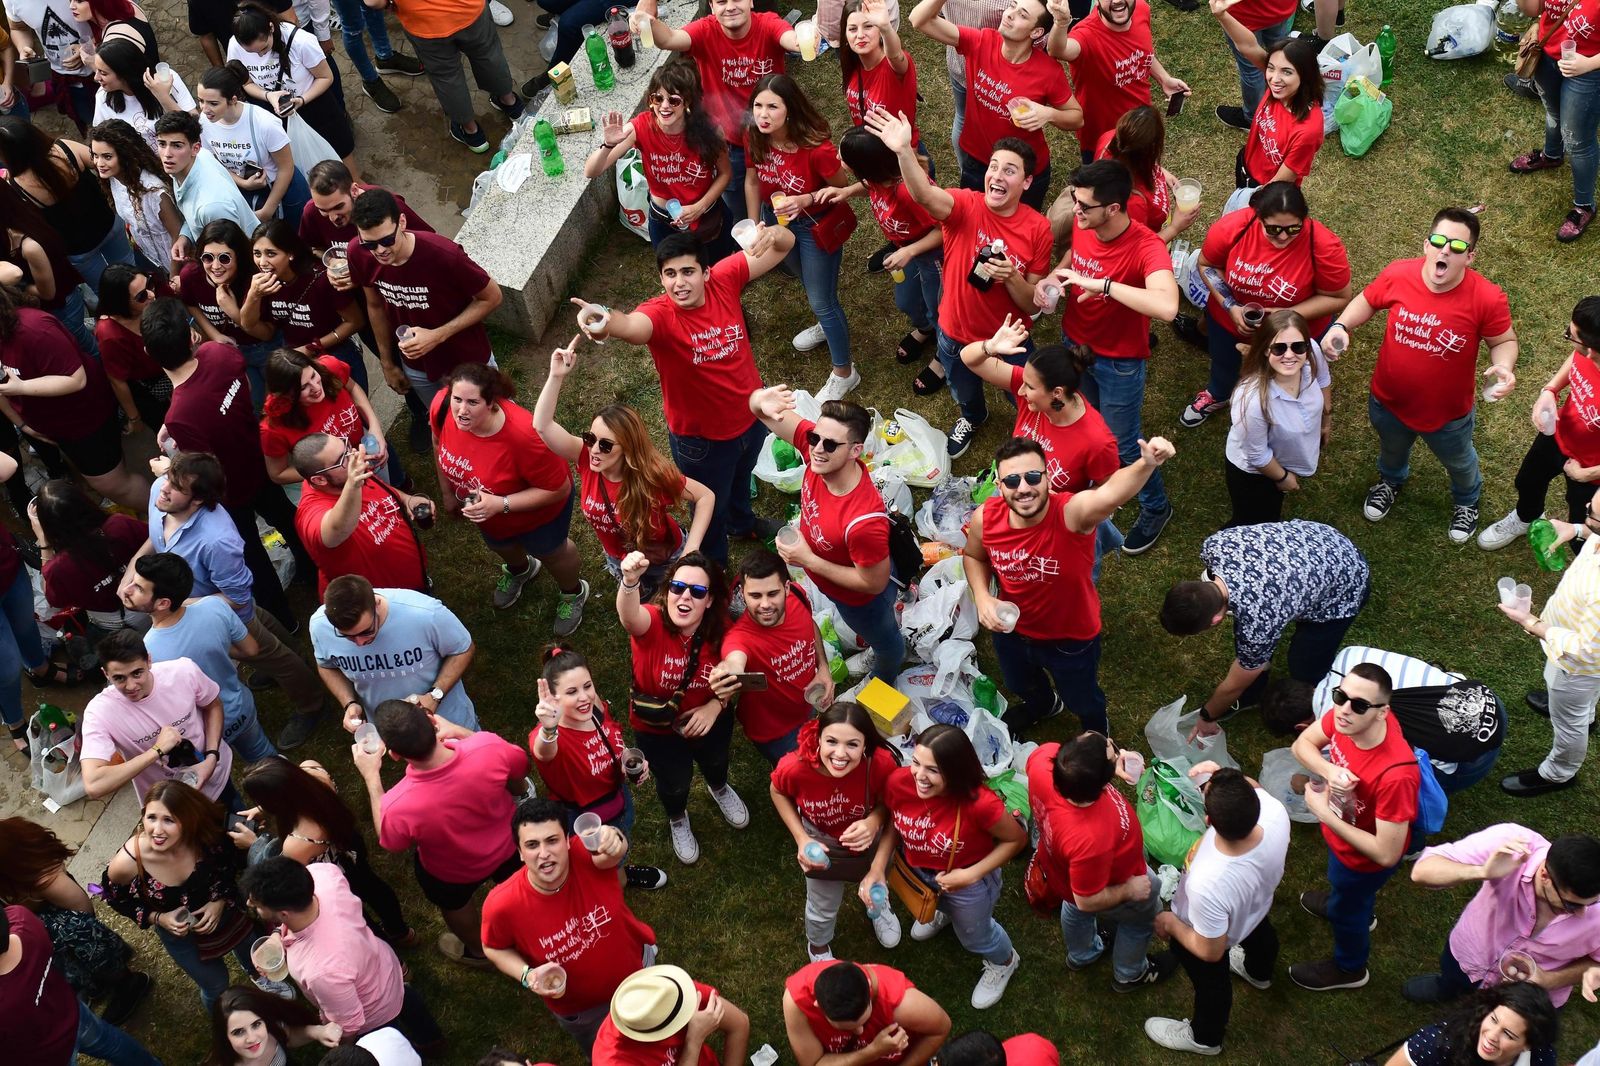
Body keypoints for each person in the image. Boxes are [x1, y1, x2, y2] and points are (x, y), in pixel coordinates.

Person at [573, 227, 794, 561]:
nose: (679, 283)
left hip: (752, 417)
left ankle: (742, 523)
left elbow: (783, 248)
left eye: (688, 272)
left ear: (706, 272)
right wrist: (602, 320)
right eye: (670, 274)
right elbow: (631, 327)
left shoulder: (725, 279)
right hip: (703, 442)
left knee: (740, 478)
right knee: (710, 508)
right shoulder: (660, 315)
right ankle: (710, 570)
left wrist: (774, 234)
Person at [868, 109, 1053, 460]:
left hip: (1009, 340)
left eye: (1009, 171)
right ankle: (973, 416)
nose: (997, 175)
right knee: (964, 389)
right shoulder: (966, 205)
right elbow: (923, 195)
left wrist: (1011, 276)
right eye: (993, 166)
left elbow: (1031, 305)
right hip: (954, 332)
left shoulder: (1038, 229)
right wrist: (904, 150)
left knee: (1028, 396)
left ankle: (1030, 428)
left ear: (1027, 183)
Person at [965, 432, 1175, 735]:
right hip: (1011, 631)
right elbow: (974, 557)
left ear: (1048, 478)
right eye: (1011, 481)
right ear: (999, 487)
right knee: (1018, 683)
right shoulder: (986, 518)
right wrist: (983, 597)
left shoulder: (1071, 514)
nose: (1023, 488)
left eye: (1033, 477)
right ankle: (1044, 705)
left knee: (1081, 697)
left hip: (1070, 640)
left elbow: (1109, 494)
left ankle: (1095, 729)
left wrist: (1145, 464)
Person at [1328, 207, 1518, 543]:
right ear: (1426, 245)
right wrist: (1342, 324)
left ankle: (1466, 499)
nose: (1445, 250)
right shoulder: (1399, 274)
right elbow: (1368, 300)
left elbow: (1503, 340)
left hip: (1448, 416)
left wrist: (1504, 365)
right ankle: (1391, 481)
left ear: (1470, 256)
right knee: (1391, 451)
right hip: (1388, 402)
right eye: (1439, 241)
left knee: (1460, 462)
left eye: (1457, 247)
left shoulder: (1487, 297)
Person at [121, 450, 328, 748]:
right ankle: (294, 655)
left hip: (226, 611)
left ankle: (312, 704)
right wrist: (133, 567)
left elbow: (238, 597)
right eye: (169, 478)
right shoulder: (161, 493)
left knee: (268, 652)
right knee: (266, 633)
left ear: (198, 500)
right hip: (208, 603)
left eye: (176, 487)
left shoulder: (217, 540)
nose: (164, 488)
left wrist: (181, 605)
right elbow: (158, 536)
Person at [140, 295, 315, 623]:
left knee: (251, 553)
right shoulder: (217, 352)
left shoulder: (181, 415)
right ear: (192, 336)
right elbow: (231, 390)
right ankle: (313, 568)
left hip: (231, 490)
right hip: (261, 461)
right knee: (286, 519)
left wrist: (169, 468)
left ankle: (283, 618)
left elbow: (202, 466)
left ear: (149, 353)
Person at [1041, 159, 1179, 553]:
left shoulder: (1145, 246)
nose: (1075, 211)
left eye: (1084, 205)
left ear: (1114, 208)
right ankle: (1107, 485)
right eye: (1074, 200)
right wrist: (1057, 275)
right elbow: (1075, 257)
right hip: (1076, 346)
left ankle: (1155, 507)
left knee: (1122, 443)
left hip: (1118, 363)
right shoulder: (1087, 224)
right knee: (1088, 425)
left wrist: (1104, 285)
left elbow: (1167, 307)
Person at [354, 697, 528, 969]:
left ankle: (479, 952)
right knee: (523, 889)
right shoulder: (487, 746)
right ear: (434, 722)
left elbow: (391, 841)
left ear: (394, 755)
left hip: (451, 873)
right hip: (510, 847)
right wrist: (462, 732)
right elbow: (518, 765)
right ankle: (532, 925)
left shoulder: (398, 805)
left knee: (456, 905)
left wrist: (371, 777)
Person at [479, 796, 660, 1055]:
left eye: (552, 840)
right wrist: (527, 976)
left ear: (567, 841)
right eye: (532, 845)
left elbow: (613, 851)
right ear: (519, 852)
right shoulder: (501, 904)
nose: (544, 853)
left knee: (659, 1031)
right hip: (584, 1011)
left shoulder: (586, 853)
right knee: (610, 1053)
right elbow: (493, 947)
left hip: (638, 972)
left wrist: (613, 837)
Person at [532, 342, 712, 599]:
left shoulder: (653, 476)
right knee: (642, 596)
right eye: (590, 438)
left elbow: (705, 496)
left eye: (605, 445)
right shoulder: (585, 458)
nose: (594, 449)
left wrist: (690, 552)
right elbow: (542, 426)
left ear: (628, 449)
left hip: (666, 558)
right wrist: (555, 376)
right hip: (621, 560)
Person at [864, 723, 1026, 1009]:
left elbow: (1016, 840)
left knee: (976, 935)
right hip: (920, 872)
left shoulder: (979, 803)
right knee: (936, 906)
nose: (919, 777)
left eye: (933, 770)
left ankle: (1005, 960)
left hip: (970, 883)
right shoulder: (899, 782)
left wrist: (969, 875)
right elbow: (893, 821)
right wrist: (877, 868)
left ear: (955, 771)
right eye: (916, 762)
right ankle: (945, 914)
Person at [1160, 520, 1372, 738]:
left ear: (1215, 620)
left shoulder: (1257, 620)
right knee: (1253, 652)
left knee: (1304, 665)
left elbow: (1233, 685)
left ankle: (1319, 705)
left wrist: (1207, 716)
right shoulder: (1215, 545)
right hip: (1322, 539)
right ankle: (1254, 692)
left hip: (1347, 584)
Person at [747, 390, 903, 684]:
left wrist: (809, 560)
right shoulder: (821, 453)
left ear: (855, 451)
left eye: (830, 444)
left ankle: (884, 672)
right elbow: (762, 411)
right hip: (830, 578)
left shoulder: (863, 521)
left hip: (861, 601)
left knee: (886, 642)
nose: (817, 449)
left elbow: (873, 582)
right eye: (814, 438)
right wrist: (758, 401)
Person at [1288, 661, 1420, 991]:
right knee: (1347, 895)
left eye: (1359, 705)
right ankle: (1345, 904)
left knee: (1351, 909)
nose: (1344, 710)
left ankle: (1350, 967)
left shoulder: (1397, 776)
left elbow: (1386, 853)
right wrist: (1329, 771)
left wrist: (1324, 813)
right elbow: (1302, 745)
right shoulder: (1348, 720)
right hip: (1344, 839)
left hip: (1361, 860)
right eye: (1340, 696)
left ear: (1382, 712)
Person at [101, 779, 289, 1010]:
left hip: (229, 913)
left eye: (168, 820)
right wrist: (158, 918)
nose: (157, 830)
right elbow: (115, 898)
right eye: (151, 817)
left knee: (253, 952)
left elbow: (233, 865)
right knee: (216, 985)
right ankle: (223, 1020)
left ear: (189, 819)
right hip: (183, 936)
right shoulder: (127, 863)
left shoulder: (208, 834)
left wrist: (220, 898)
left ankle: (257, 974)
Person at [1175, 183, 1351, 428]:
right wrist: (1230, 305)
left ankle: (1285, 410)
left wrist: (1287, 315)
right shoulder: (1233, 228)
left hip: (1296, 332)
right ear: (1258, 217)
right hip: (1233, 323)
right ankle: (1218, 394)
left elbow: (1338, 297)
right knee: (1225, 362)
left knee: (1290, 374)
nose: (1283, 236)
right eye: (1273, 229)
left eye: (1293, 229)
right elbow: (1207, 265)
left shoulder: (1323, 245)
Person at [430, 362, 588, 627]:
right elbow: (436, 440)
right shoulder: (443, 406)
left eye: (472, 402)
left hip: (538, 516)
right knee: (499, 544)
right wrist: (447, 492)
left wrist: (500, 504)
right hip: (488, 513)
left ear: (492, 402)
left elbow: (558, 488)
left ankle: (573, 592)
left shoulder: (524, 436)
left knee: (551, 552)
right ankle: (521, 569)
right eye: (457, 399)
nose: (461, 410)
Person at [1144, 767, 1290, 1056]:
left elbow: (1210, 950)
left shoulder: (1207, 882)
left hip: (1208, 932)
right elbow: (1253, 786)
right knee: (1261, 937)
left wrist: (1172, 923)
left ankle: (1205, 1037)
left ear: (1208, 820)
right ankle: (1258, 972)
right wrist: (1221, 774)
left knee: (1212, 983)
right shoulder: (1275, 812)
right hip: (1255, 907)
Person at [618, 550, 747, 866]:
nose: (684, 596)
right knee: (673, 782)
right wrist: (630, 582)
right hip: (656, 729)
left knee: (716, 760)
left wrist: (714, 708)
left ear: (710, 600)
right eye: (677, 587)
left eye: (697, 591)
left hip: (709, 720)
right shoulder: (651, 623)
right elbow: (628, 616)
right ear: (667, 591)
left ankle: (718, 786)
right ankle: (677, 816)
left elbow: (735, 667)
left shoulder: (723, 632)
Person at [239, 856, 445, 1053]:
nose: (250, 904)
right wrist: (278, 935)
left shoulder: (321, 970)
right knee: (409, 1003)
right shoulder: (323, 875)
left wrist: (345, 1047)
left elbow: (350, 1022)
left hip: (373, 1011)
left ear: (284, 914)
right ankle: (433, 1042)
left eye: (257, 905)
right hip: (385, 966)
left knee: (391, 1041)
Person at [1026, 734, 1170, 995]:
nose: (1112, 743)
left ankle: (1082, 955)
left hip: (1062, 873)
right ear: (1099, 785)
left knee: (1072, 907)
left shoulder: (1044, 763)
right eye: (1111, 749)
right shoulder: (1090, 839)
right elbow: (1087, 900)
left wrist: (1105, 764)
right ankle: (1129, 974)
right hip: (1116, 882)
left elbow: (1082, 746)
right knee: (1139, 920)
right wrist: (1130, 890)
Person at [745, 74, 859, 398]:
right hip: (775, 220)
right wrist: (755, 224)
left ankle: (845, 372)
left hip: (814, 225)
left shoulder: (816, 148)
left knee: (822, 299)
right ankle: (826, 325)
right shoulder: (754, 134)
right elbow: (752, 181)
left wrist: (807, 199)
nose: (763, 115)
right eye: (757, 106)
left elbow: (841, 189)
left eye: (772, 107)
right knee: (802, 278)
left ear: (790, 110)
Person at [1263, 645, 1506, 796]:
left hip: (1473, 754)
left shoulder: (1341, 725)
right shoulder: (1349, 655)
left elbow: (1350, 781)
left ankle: (1413, 845)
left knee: (1399, 792)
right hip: (1485, 699)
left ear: (1301, 727)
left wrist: (1309, 782)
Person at [909, 0, 1079, 210]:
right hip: (978, 162)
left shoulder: (1047, 72)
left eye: (1022, 15)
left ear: (1036, 33)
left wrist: (1048, 114)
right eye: (1012, 6)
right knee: (973, 222)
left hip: (1023, 171)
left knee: (1017, 232)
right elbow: (919, 20)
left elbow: (1077, 117)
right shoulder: (982, 41)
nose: (1009, 14)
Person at [769, 703, 903, 962]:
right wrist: (802, 838)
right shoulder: (795, 767)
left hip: (870, 838)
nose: (840, 754)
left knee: (878, 881)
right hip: (820, 842)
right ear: (818, 738)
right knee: (822, 904)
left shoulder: (882, 764)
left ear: (866, 745)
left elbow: (894, 805)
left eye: (852, 744)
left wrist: (874, 821)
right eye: (831, 741)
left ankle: (878, 905)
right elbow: (777, 791)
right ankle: (818, 947)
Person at [1406, 828, 1600, 1006]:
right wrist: (1481, 872)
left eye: (1591, 903)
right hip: (1468, 958)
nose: (1582, 913)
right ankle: (1447, 988)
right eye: (1570, 904)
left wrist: (1549, 980)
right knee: (1453, 979)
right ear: (1544, 876)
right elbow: (1422, 871)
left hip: (1528, 999)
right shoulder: (1512, 844)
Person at [232, 756, 413, 946]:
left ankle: (396, 963)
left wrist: (254, 843)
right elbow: (295, 788)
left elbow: (280, 873)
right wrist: (264, 806)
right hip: (351, 847)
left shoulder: (297, 843)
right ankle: (403, 933)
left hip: (336, 873)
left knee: (358, 916)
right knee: (374, 887)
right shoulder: (313, 771)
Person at [529, 646, 667, 889]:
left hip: (617, 798)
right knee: (603, 859)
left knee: (621, 842)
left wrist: (627, 761)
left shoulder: (595, 711)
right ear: (553, 697)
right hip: (586, 818)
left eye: (587, 686)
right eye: (571, 692)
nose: (584, 697)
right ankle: (615, 886)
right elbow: (543, 750)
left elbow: (613, 740)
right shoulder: (551, 737)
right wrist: (549, 729)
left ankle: (620, 867)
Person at [0, 285, 149, 510]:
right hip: (56, 427)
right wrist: (21, 423)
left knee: (112, 483)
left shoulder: (34, 328)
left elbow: (76, 378)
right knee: (104, 474)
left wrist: (21, 387)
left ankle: (169, 519)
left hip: (84, 419)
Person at [348, 188, 499, 407]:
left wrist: (437, 335)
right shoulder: (357, 253)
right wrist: (387, 362)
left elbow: (492, 297)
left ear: (402, 222)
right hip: (417, 367)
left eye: (387, 240)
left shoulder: (444, 254)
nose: (379, 250)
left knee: (495, 413)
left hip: (467, 357)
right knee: (443, 422)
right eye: (369, 244)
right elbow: (375, 306)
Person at [647, 0, 797, 220]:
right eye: (721, 2)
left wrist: (806, 36)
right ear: (711, 6)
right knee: (738, 206)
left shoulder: (767, 24)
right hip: (729, 143)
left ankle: (781, 244)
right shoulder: (705, 30)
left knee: (783, 200)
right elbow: (668, 39)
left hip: (773, 138)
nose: (730, 7)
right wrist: (646, 17)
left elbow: (791, 40)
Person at [1494, 500, 1600, 797]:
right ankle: (1586, 713)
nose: (1587, 503)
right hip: (1582, 660)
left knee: (1570, 723)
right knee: (1578, 703)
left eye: (1591, 513)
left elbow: (1587, 650)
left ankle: (1559, 773)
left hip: (1576, 666)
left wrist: (1531, 622)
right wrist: (1578, 529)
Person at [127, 552, 277, 762]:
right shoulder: (214, 606)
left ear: (162, 603)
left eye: (139, 588)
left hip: (206, 731)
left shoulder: (147, 652)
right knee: (267, 759)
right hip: (240, 707)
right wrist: (217, 647)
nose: (127, 589)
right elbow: (251, 649)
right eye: (133, 581)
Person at [0, 817, 151, 1022]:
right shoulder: (13, 867)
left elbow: (84, 914)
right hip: (56, 924)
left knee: (73, 935)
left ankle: (127, 982)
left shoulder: (42, 876)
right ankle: (94, 980)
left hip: (74, 928)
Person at [1479, 298, 1600, 549]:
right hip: (1558, 433)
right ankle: (1525, 518)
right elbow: (1574, 360)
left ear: (1590, 349)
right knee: (1528, 480)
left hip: (1590, 472)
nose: (1567, 336)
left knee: (1583, 534)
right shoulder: (1588, 352)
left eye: (1571, 335)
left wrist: (1586, 473)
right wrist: (1550, 389)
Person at [584, 58, 734, 257]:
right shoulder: (641, 127)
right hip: (663, 221)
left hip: (706, 215)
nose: (664, 106)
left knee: (716, 269)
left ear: (688, 102)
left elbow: (725, 174)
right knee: (675, 277)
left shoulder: (710, 129)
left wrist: (700, 207)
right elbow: (591, 171)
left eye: (673, 100)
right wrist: (608, 145)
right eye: (657, 98)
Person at [834, 124, 944, 392]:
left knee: (940, 308)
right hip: (904, 250)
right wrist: (847, 192)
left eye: (843, 158)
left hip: (932, 257)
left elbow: (944, 229)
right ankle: (926, 328)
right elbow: (869, 186)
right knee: (906, 301)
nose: (838, 159)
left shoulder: (908, 191)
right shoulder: (877, 176)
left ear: (866, 166)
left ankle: (943, 356)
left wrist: (909, 250)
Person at [78, 628, 234, 804]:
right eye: (119, 678)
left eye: (137, 673)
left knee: (235, 819)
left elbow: (213, 705)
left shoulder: (183, 671)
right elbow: (94, 785)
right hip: (169, 803)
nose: (131, 686)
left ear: (149, 661)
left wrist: (212, 756)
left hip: (216, 775)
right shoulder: (99, 712)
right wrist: (157, 750)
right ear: (106, 674)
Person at [1, 903, 163, 1066]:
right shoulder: (24, 921)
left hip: (47, 1056)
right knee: (112, 1044)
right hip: (73, 1014)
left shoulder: (6, 1003)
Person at [711, 550, 834, 763]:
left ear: (787, 588)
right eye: (755, 596)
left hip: (809, 704)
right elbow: (733, 660)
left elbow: (809, 623)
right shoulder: (739, 639)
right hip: (775, 732)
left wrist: (823, 667)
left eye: (772, 594)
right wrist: (726, 671)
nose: (765, 605)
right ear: (743, 593)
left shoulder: (797, 595)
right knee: (802, 774)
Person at [313, 574, 478, 730]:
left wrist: (435, 696)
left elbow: (463, 649)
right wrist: (349, 703)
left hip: (447, 723)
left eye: (366, 632)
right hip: (391, 732)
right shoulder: (320, 626)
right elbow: (327, 666)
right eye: (347, 637)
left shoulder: (426, 614)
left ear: (376, 603)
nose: (360, 643)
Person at [1219, 310, 1332, 526]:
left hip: (1282, 458)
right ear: (1264, 350)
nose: (1289, 355)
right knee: (1254, 521)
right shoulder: (1252, 400)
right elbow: (1257, 454)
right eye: (1279, 348)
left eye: (1298, 346)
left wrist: (1326, 420)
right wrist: (1282, 478)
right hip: (1254, 474)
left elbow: (1324, 379)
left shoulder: (1311, 354)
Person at [0, 116, 131, 295]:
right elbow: (104, 165)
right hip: (109, 223)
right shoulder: (65, 148)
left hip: (78, 250)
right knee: (130, 267)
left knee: (106, 290)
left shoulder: (18, 186)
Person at [368, 0, 522, 152]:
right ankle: (510, 103)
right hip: (470, 10)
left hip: (425, 24)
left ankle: (471, 132)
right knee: (488, 55)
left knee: (447, 78)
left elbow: (374, 2)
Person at [1044, 0, 1188, 163]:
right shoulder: (1086, 36)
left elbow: (1141, 52)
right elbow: (1057, 50)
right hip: (1104, 138)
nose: (1118, 0)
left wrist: (1164, 78)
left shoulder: (1141, 9)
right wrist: (1061, 23)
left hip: (1141, 125)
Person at [227, 5, 359, 178]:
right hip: (275, 114)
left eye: (263, 49)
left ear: (271, 28)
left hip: (316, 109)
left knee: (348, 174)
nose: (259, 56)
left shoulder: (302, 41)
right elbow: (247, 82)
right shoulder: (235, 45)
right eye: (251, 52)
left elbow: (326, 77)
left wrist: (301, 100)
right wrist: (268, 95)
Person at [240, 222, 369, 394]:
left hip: (336, 354)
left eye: (271, 254)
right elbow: (253, 327)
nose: (262, 262)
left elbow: (355, 322)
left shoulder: (320, 278)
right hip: (297, 363)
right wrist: (253, 296)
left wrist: (312, 347)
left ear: (291, 253)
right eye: (257, 253)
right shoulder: (262, 283)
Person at [292, 433, 429, 595]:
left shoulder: (349, 476)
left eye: (348, 447)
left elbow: (384, 492)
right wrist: (353, 483)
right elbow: (335, 530)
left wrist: (407, 500)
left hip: (411, 576)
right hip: (385, 604)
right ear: (320, 480)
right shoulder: (310, 513)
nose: (354, 456)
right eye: (343, 459)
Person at [1205, 10, 1323, 195]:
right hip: (1247, 164)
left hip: (1264, 190)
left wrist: (1253, 201)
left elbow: (1280, 182)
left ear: (1305, 76)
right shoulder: (1281, 90)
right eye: (1270, 68)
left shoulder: (1308, 130)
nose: (1274, 79)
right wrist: (1222, 15)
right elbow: (1248, 45)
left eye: (1287, 72)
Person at [1509, 0, 1599, 241]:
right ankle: (1551, 156)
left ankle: (1584, 205)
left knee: (1578, 140)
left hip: (1588, 70)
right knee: (1554, 112)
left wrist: (1589, 64)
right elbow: (1534, 10)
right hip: (1547, 52)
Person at [178, 218, 281, 407]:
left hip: (263, 348)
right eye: (208, 258)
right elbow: (191, 304)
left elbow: (267, 334)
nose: (216, 267)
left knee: (281, 399)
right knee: (254, 405)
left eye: (224, 258)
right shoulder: (191, 276)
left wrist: (233, 311)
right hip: (232, 350)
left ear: (239, 257)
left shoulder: (256, 280)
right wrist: (215, 335)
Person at [782, 959, 951, 1066]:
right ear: (818, 1006)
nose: (860, 1032)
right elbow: (813, 1064)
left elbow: (941, 1028)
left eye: (864, 1022)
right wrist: (873, 1051)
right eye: (847, 1028)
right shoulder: (797, 1002)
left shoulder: (899, 1002)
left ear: (870, 991)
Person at [32, 478, 147, 633]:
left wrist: (44, 544)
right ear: (84, 502)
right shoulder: (120, 524)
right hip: (151, 599)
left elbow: (54, 600)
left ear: (49, 525)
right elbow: (156, 541)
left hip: (112, 623)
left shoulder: (57, 568)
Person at [197, 67, 306, 228]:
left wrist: (268, 210)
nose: (205, 109)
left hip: (281, 189)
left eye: (213, 103)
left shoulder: (265, 123)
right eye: (200, 100)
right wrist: (242, 183)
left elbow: (286, 167)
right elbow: (213, 162)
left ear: (233, 100)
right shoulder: (204, 122)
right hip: (245, 192)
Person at [261, 348, 385, 488]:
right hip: (338, 482)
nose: (316, 388)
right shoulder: (273, 428)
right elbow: (278, 474)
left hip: (366, 451)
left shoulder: (329, 368)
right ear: (286, 394)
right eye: (303, 388)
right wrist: (332, 470)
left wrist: (374, 427)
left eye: (313, 376)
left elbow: (353, 387)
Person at [0, 176, 95, 355]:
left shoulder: (29, 246)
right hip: (52, 302)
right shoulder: (20, 214)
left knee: (82, 347)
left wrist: (19, 286)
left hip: (61, 305)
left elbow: (48, 293)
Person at [592, 964, 751, 1065]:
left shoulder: (671, 992)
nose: (687, 1008)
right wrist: (694, 1041)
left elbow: (739, 1025)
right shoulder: (613, 1061)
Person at [154, 110, 260, 260]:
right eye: (162, 144)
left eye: (177, 146)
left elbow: (231, 259)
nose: (167, 154)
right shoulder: (188, 162)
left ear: (195, 148)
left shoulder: (212, 207)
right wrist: (186, 235)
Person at [88, 120, 183, 275]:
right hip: (149, 258)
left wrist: (174, 276)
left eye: (107, 156)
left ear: (125, 155)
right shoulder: (113, 178)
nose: (99, 163)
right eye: (95, 155)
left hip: (174, 264)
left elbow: (177, 235)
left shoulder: (154, 192)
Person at [1382, 984, 1559, 1066]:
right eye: (1494, 1019)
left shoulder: (1541, 1058)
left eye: (1508, 1034)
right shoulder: (1436, 1043)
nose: (1491, 1036)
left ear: (1528, 1044)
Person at [94, 265, 172, 432]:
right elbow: (117, 380)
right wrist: (134, 418)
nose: (151, 294)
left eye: (149, 284)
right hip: (148, 384)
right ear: (121, 303)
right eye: (141, 296)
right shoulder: (110, 335)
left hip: (168, 365)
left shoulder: (148, 300)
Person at [299, 160, 435, 253]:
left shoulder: (387, 204)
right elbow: (313, 250)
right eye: (323, 210)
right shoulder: (311, 212)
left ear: (354, 190)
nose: (333, 217)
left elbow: (428, 241)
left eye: (338, 207)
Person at [1206, 0, 1298, 129]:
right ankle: (1285, 105)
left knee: (1252, 70)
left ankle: (1253, 117)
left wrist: (1221, 14)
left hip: (1245, 16)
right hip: (1282, 8)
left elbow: (1248, 48)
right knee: (1281, 60)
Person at [90, 36, 192, 151]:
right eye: (97, 70)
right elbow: (101, 139)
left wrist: (163, 96)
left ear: (124, 73)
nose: (96, 77)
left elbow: (192, 126)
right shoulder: (102, 97)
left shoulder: (166, 78)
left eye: (103, 73)